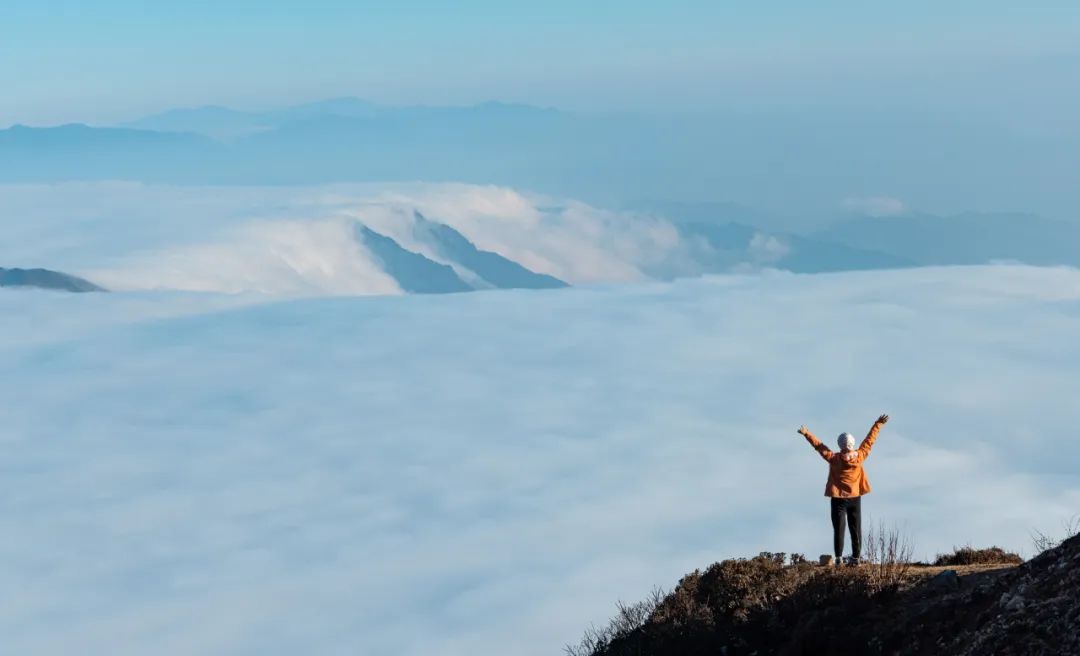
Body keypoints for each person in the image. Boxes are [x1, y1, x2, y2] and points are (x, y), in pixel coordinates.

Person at [797, 414, 889, 566]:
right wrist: (878, 424)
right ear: (852, 444)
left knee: (839, 529)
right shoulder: (860, 456)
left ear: (839, 445)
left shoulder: (834, 459)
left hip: (838, 499)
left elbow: (819, 446)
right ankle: (855, 559)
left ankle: (838, 559)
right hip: (855, 498)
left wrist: (807, 433)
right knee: (856, 529)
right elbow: (869, 440)